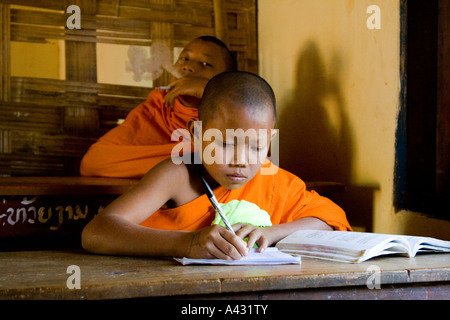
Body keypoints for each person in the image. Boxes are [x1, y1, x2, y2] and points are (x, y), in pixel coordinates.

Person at [81, 71, 351, 260]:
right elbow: (97, 233)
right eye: (225, 143)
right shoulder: (177, 174)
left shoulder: (273, 179)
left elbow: (330, 218)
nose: (240, 161)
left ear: (270, 141)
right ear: (196, 133)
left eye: (256, 147)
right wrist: (188, 243)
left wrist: (271, 232)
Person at [79, 36, 237, 178]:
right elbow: (94, 162)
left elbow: (248, 158)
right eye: (184, 58)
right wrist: (194, 158)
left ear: (226, 81)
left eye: (205, 64)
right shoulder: (157, 108)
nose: (188, 67)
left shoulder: (235, 112)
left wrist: (213, 94)